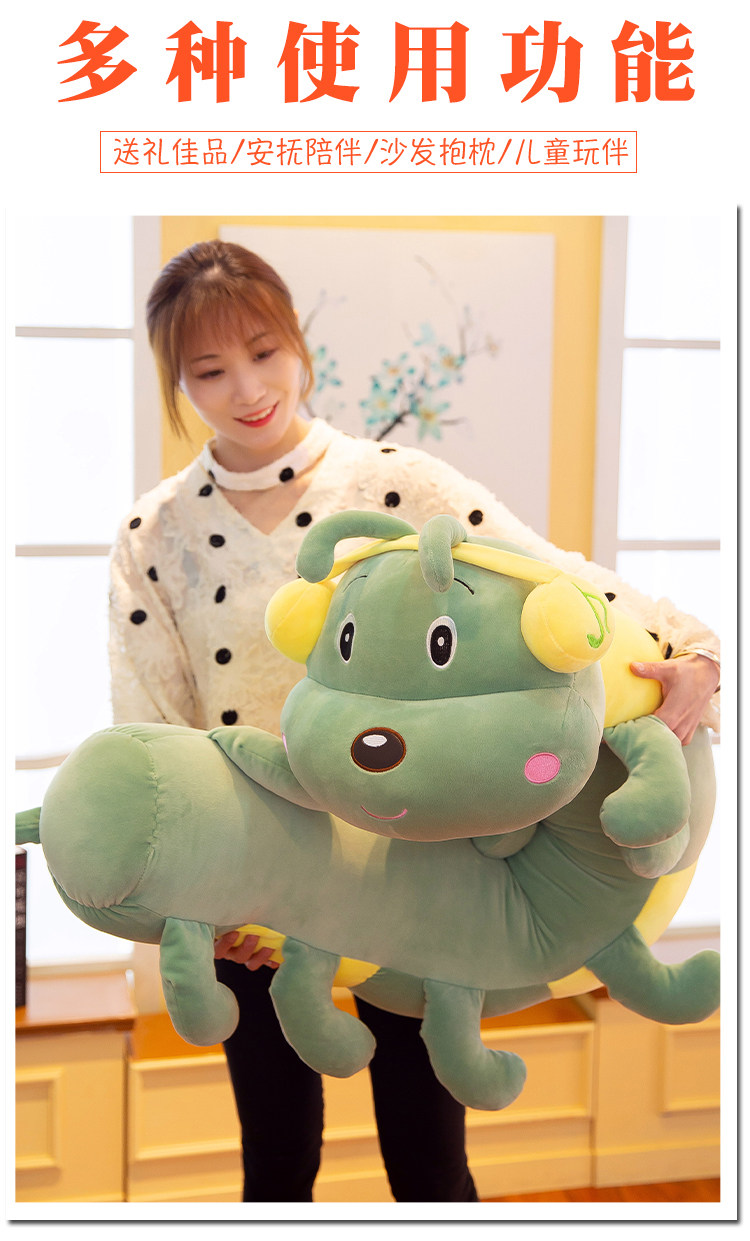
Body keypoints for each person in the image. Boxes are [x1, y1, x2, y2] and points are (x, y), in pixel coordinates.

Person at [109, 239, 720, 1203]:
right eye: (210, 370)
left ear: (299, 344)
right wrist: (193, 887)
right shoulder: (154, 534)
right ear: (178, 383)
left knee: (430, 1164)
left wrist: (695, 651)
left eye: (264, 352)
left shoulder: (395, 483)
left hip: (413, 859)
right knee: (276, 1165)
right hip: (252, 879)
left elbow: (552, 575)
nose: (248, 389)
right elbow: (150, 723)